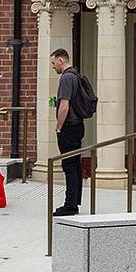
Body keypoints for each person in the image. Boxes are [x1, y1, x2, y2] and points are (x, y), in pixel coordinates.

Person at [50, 48, 87, 217]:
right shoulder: (76, 75)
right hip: (78, 125)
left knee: (69, 166)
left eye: (53, 63)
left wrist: (59, 127)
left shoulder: (66, 78)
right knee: (76, 165)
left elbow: (64, 105)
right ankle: (75, 201)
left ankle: (70, 205)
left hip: (69, 127)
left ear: (60, 61)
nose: (52, 66)